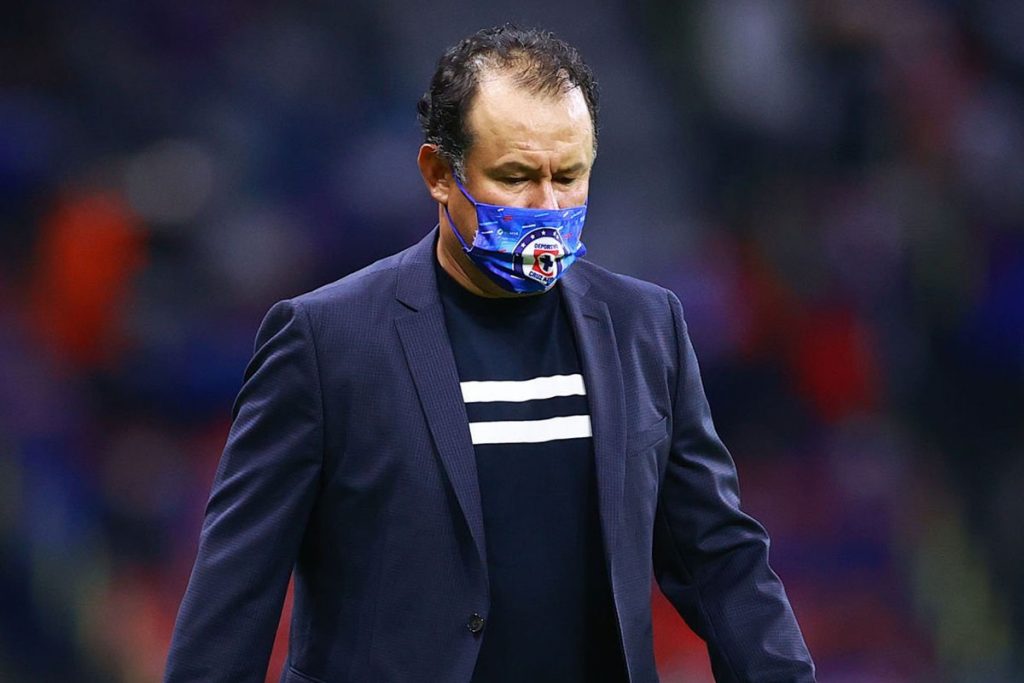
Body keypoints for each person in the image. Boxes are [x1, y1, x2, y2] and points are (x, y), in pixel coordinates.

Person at [164, 25, 815, 683]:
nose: (547, 206)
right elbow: (234, 593)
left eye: (569, 175)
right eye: (515, 176)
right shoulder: (324, 341)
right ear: (438, 174)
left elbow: (718, 555)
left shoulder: (645, 327)